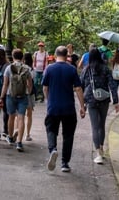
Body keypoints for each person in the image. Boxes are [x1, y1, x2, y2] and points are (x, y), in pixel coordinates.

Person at [41, 44, 86, 173]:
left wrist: (48, 100)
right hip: (68, 108)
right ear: (67, 56)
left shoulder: (49, 69)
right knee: (68, 135)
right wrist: (82, 106)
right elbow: (78, 88)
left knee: (51, 129)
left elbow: (45, 87)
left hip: (53, 107)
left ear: (55, 56)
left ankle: (53, 149)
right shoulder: (72, 69)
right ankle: (65, 163)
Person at [81, 47, 119, 164]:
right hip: (104, 100)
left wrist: (82, 105)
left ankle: (98, 153)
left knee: (95, 126)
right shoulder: (105, 69)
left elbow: (80, 86)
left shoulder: (86, 70)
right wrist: (116, 101)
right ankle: (101, 149)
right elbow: (112, 85)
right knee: (101, 125)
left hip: (91, 100)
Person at [0, 48, 32, 152]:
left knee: (11, 117)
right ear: (22, 57)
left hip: (10, 95)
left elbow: (5, 84)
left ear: (13, 57)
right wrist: (28, 93)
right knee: (21, 118)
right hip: (23, 96)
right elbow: (30, 84)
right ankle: (19, 142)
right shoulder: (27, 68)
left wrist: (1, 97)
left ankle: (10, 137)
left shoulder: (9, 68)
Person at [23, 51, 36, 140]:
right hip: (29, 94)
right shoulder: (32, 70)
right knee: (29, 114)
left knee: (20, 114)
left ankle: (18, 130)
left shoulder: (20, 68)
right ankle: (27, 134)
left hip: (20, 93)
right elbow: (32, 82)